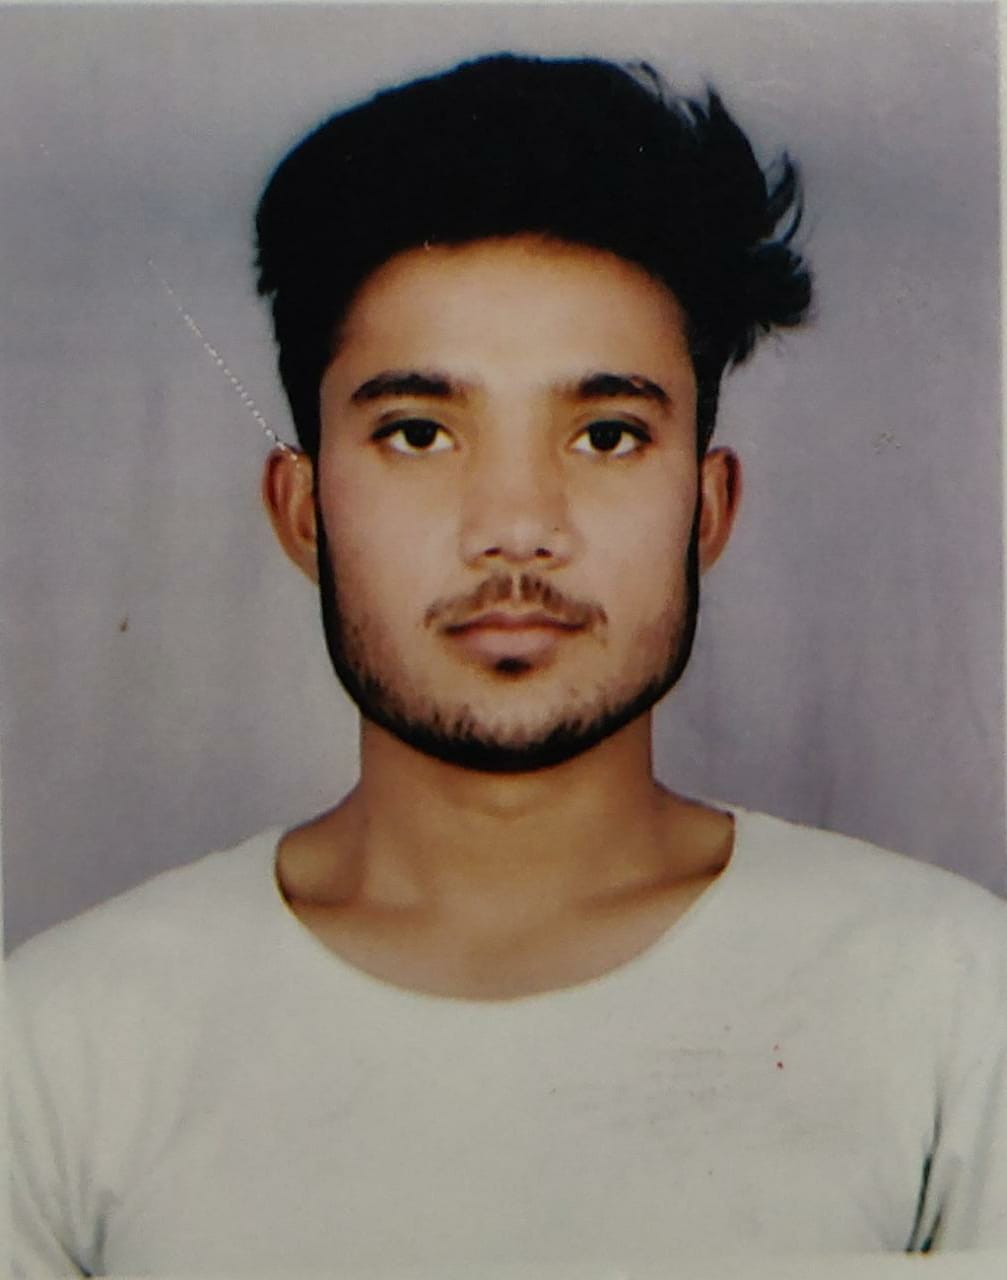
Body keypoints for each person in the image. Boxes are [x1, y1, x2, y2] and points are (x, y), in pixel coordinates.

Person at [8, 53, 1006, 1276]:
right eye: (418, 433)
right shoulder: (58, 1048)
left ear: (706, 507)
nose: (517, 527)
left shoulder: (951, 1003)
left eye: (606, 434)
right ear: (302, 509)